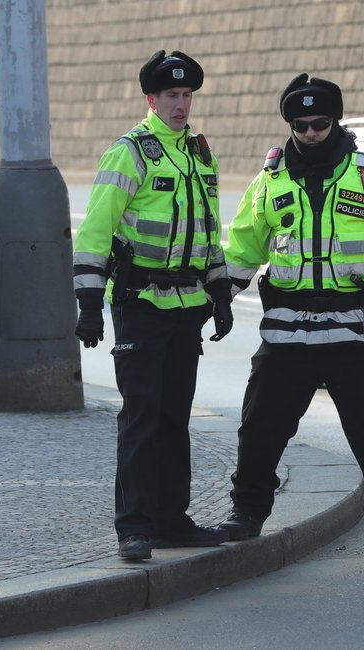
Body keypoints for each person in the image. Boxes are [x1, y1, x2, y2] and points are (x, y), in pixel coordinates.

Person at [219, 73, 364, 579]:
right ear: (290, 125)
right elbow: (242, 251)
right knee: (259, 429)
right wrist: (218, 301)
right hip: (288, 337)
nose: (312, 132)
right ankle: (247, 515)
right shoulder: (270, 182)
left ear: (335, 121)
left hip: (358, 336)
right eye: (302, 125)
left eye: (320, 123)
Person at [72, 50, 233, 561]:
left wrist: (221, 291)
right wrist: (89, 301)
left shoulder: (200, 154)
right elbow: (96, 230)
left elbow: (208, 231)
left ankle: (171, 519)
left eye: (187, 96)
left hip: (188, 304)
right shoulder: (130, 153)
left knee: (173, 416)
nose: (181, 104)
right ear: (151, 99)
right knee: (141, 417)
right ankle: (135, 527)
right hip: (140, 302)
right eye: (171, 96)